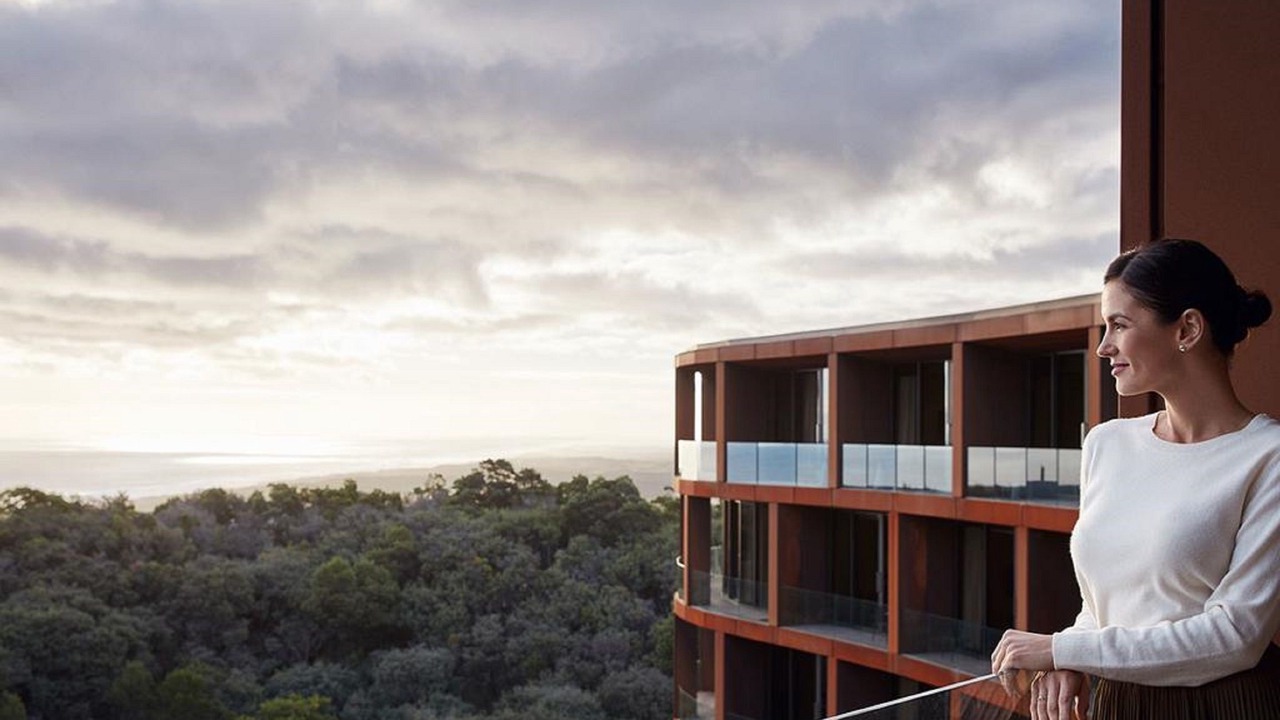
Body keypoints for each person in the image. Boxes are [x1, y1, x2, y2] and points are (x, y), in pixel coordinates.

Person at [990, 239, 1280, 720]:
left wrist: (1063, 651)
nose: (1104, 346)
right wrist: (1074, 655)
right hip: (1116, 700)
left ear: (1187, 328)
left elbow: (1236, 637)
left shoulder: (1267, 455)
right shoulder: (1106, 445)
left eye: (1119, 325)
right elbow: (1101, 605)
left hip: (1227, 704)